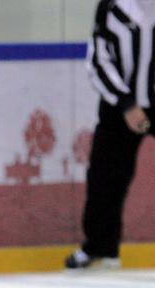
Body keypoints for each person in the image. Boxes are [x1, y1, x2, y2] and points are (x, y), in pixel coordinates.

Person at [65, 0, 155, 269]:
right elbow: (98, 58)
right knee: (106, 177)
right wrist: (126, 103)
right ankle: (100, 250)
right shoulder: (112, 7)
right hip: (121, 107)